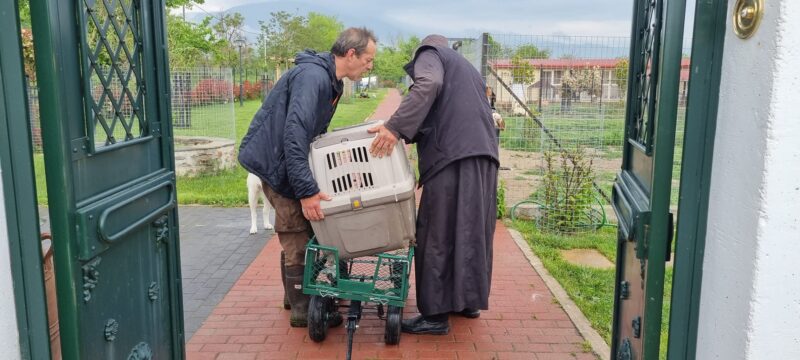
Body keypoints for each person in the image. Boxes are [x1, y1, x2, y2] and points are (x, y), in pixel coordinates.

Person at [238, 27, 377, 327]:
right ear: (351, 54)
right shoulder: (313, 78)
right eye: (368, 59)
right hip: (274, 162)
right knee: (296, 231)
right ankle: (302, 313)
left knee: (306, 230)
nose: (370, 66)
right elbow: (294, 134)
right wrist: (306, 191)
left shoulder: (330, 80)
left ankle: (294, 297)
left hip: (285, 159)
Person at [367, 34, 499, 335]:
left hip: (453, 157)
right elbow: (442, 108)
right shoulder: (466, 68)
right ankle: (468, 302)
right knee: (471, 230)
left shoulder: (431, 53)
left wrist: (394, 128)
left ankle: (435, 315)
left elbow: (428, 86)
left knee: (436, 232)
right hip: (483, 157)